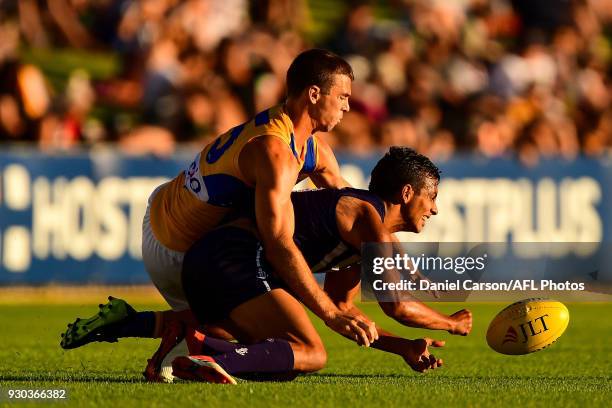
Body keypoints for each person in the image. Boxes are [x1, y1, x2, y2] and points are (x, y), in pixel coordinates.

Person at [60, 48, 378, 350]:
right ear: (313, 94)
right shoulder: (275, 151)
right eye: (343, 97)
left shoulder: (307, 145)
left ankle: (130, 323)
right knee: (281, 342)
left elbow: (357, 209)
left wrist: (395, 254)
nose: (348, 107)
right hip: (176, 249)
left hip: (168, 211)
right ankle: (157, 342)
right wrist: (329, 312)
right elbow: (279, 243)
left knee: (263, 317)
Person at [162, 147, 472, 383]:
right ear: (407, 193)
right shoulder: (368, 221)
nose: (435, 209)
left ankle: (179, 337)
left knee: (275, 359)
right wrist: (452, 323)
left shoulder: (364, 230)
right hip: (232, 257)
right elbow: (398, 307)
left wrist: (402, 347)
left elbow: (342, 308)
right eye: (432, 197)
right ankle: (208, 362)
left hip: (213, 261)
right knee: (310, 353)